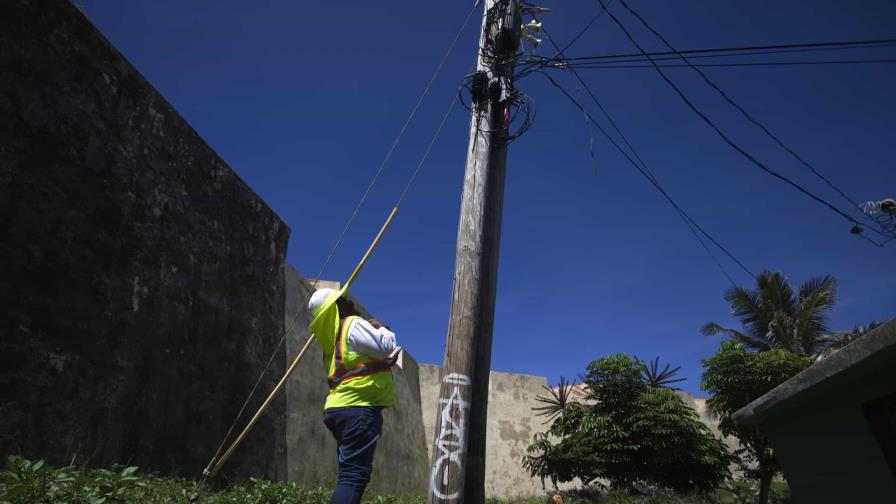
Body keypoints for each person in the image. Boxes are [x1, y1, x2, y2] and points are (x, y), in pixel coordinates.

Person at [308, 288, 400, 504]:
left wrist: (381, 365)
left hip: (338, 409)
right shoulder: (351, 323)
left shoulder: (331, 341)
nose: (350, 301)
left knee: (349, 475)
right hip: (358, 409)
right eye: (343, 299)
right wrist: (382, 328)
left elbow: (351, 368)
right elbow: (386, 346)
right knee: (353, 477)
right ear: (337, 307)